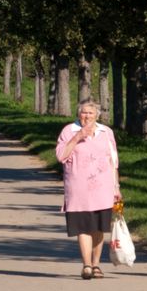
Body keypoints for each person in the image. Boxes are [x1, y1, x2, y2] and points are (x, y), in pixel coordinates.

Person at [56, 99, 121, 280]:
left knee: (98, 228)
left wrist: (117, 187)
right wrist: (77, 137)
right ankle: (86, 265)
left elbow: (113, 161)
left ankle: (96, 264)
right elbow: (61, 156)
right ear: (78, 114)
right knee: (83, 227)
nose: (87, 116)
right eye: (84, 112)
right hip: (78, 189)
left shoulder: (106, 132)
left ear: (97, 115)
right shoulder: (69, 131)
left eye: (91, 113)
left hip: (103, 189)